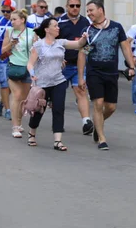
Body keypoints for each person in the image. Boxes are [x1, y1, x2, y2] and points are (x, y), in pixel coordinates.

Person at [77, 0, 135, 150]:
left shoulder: (116, 27)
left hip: (112, 73)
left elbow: (125, 47)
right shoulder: (89, 31)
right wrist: (81, 76)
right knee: (98, 104)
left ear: (101, 10)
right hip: (94, 72)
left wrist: (131, 66)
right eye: (87, 11)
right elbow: (83, 53)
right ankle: (102, 139)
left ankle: (98, 125)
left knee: (111, 107)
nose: (88, 14)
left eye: (91, 10)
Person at [26, 18, 89, 151]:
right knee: (38, 111)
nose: (58, 28)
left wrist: (84, 38)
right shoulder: (38, 45)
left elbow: (78, 44)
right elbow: (30, 63)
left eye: (58, 26)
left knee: (59, 109)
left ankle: (57, 141)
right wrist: (32, 73)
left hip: (58, 81)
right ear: (47, 29)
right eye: (55, 26)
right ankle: (32, 133)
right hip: (42, 83)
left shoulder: (61, 42)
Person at [57, 0, 94, 135]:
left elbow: (90, 43)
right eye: (72, 5)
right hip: (61, 65)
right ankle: (58, 122)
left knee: (81, 91)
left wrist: (84, 55)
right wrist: (58, 58)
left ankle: (86, 122)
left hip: (79, 65)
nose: (75, 8)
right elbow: (52, 42)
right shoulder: (59, 22)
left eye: (77, 6)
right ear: (66, 6)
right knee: (58, 95)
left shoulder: (86, 22)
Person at [1, 9, 36, 138]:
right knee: (16, 95)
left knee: (24, 98)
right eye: (11, 19)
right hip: (13, 65)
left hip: (27, 67)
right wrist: (11, 43)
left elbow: (36, 50)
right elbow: (3, 50)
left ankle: (19, 122)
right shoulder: (9, 31)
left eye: (14, 19)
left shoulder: (31, 32)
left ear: (22, 20)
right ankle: (15, 126)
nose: (12, 22)